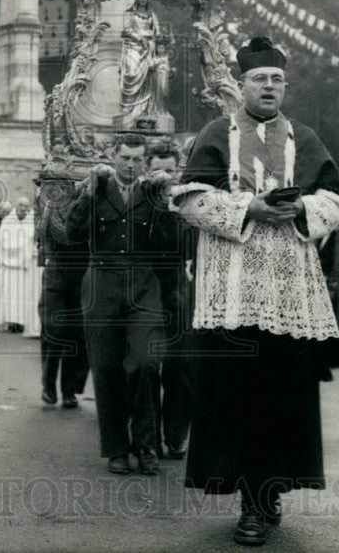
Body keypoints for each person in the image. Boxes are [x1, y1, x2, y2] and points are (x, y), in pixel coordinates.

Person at [170, 36, 339, 546]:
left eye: (277, 80)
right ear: (241, 86)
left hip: (289, 290)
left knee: (283, 397)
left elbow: (338, 201)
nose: (269, 87)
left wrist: (300, 210)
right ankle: (249, 500)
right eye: (260, 79)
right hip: (231, 291)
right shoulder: (215, 133)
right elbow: (188, 199)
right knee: (238, 398)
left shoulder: (305, 138)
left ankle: (268, 495)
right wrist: (247, 208)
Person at [65, 133, 178, 477]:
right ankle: (116, 449)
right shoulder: (96, 188)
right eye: (125, 158)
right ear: (113, 157)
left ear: (145, 161)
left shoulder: (150, 193)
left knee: (145, 363)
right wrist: (88, 192)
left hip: (143, 285)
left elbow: (170, 244)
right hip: (101, 283)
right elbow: (73, 233)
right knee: (107, 367)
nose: (131, 165)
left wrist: (164, 203)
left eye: (137, 159)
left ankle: (145, 444)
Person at [146, 143, 195, 460]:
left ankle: (176, 435)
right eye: (157, 169)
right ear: (147, 171)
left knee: (181, 367)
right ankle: (149, 436)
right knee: (146, 368)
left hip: (178, 292)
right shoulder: (137, 205)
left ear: (179, 172)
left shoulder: (190, 206)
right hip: (145, 293)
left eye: (170, 169)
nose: (164, 175)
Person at [37, 175, 90, 409]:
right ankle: (48, 384)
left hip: (83, 275)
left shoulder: (89, 207)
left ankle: (69, 389)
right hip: (57, 272)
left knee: (78, 335)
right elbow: (50, 235)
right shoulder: (53, 208)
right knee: (54, 329)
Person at [0, 196, 43, 337]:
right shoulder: (7, 221)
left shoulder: (30, 222)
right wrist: (20, 247)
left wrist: (27, 249)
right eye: (21, 205)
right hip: (9, 266)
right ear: (16, 205)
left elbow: (32, 241)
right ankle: (10, 321)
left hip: (25, 266)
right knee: (10, 295)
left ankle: (21, 322)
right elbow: (2, 242)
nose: (23, 209)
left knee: (23, 296)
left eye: (26, 206)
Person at [118, 0, 160, 121]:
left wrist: (158, 38)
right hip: (133, 46)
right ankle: (128, 107)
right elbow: (127, 29)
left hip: (148, 48)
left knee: (149, 78)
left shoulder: (152, 15)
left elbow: (157, 31)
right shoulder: (128, 13)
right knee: (131, 72)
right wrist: (140, 37)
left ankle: (143, 109)